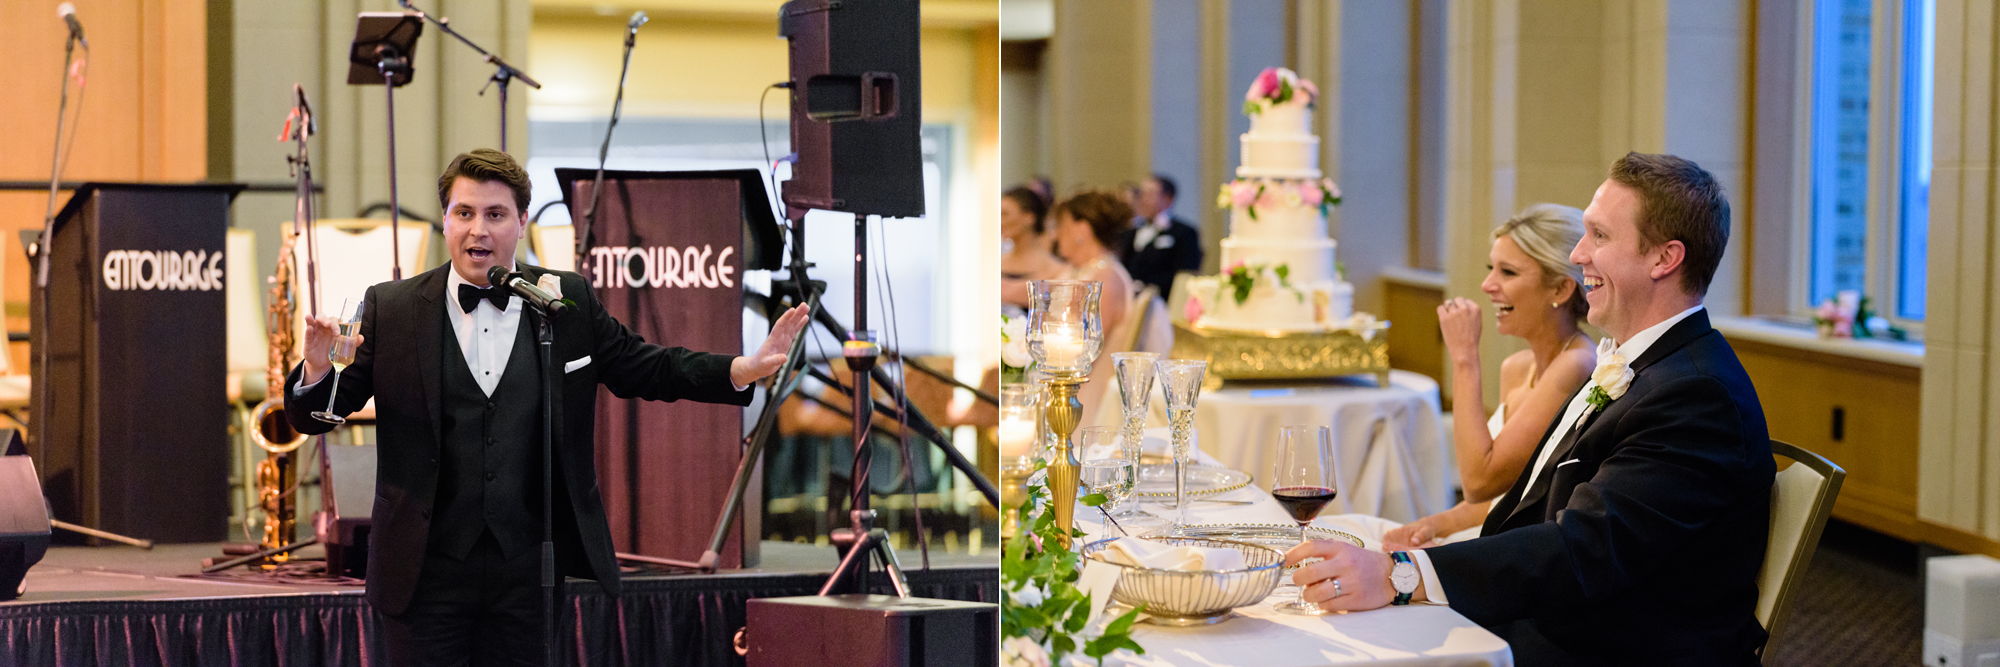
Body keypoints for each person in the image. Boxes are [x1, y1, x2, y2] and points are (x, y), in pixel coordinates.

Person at [283, 148, 809, 666]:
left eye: (495, 214)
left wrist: (742, 369)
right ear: (445, 219)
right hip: (424, 571)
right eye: (464, 213)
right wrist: (315, 370)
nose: (478, 230)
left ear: (522, 221)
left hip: (530, 570)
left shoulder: (563, 301)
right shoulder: (392, 307)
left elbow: (647, 366)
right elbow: (319, 413)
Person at [1287, 153, 1773, 666]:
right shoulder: (1645, 365)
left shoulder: (1697, 395)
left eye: (1600, 237)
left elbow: (1583, 550)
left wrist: (1400, 574)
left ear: (1663, 259)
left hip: (1601, 647)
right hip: (1557, 618)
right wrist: (1416, 557)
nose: (1580, 254)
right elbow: (1536, 508)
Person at [1381, 204, 1595, 550]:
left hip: (1532, 551)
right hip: (1498, 533)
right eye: (1490, 269)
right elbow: (1503, 496)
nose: (1487, 285)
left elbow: (1479, 481)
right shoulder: (1517, 368)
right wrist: (1434, 524)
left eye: (1507, 272)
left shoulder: (1578, 363)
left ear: (1560, 289)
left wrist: (1464, 359)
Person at [1052, 190, 1136, 423]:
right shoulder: (1075, 271)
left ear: (1081, 230)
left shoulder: (1107, 280)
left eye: (1061, 226)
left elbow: (1085, 353)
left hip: (1086, 398)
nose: (1055, 234)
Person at [1118, 174, 1203, 296]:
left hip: (1163, 301)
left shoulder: (1184, 233)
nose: (1143, 200)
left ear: (1168, 199)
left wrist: (1146, 288)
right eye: (1141, 194)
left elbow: (1184, 275)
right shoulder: (1131, 232)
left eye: (1150, 194)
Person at [1001, 186, 1068, 309]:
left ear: (1029, 217)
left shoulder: (1056, 271)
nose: (1000, 221)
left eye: (1005, 214)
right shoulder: (995, 264)